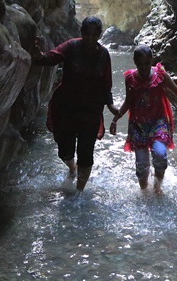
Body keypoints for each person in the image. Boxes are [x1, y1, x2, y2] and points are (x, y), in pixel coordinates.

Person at [32, 16, 121, 191]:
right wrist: (38, 55)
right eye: (86, 34)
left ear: (99, 35)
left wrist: (111, 106)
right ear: (81, 33)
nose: (89, 38)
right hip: (67, 107)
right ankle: (72, 169)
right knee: (64, 148)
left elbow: (106, 84)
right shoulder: (72, 46)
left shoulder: (103, 54)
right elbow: (52, 57)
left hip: (91, 110)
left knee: (86, 152)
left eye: (94, 35)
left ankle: (79, 192)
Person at [110, 45, 177, 193]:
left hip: (158, 123)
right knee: (141, 165)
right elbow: (129, 101)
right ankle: (144, 192)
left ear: (152, 60)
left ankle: (157, 189)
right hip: (138, 125)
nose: (144, 67)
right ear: (134, 62)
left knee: (160, 155)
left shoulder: (160, 75)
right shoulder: (130, 78)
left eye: (147, 63)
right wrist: (116, 119)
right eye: (140, 64)